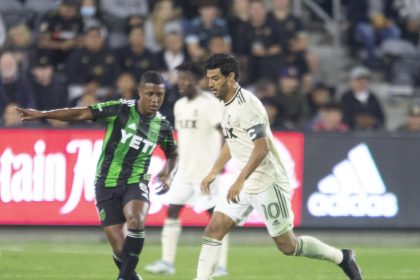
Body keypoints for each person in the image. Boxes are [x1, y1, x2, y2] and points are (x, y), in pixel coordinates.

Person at [194, 53, 363, 280]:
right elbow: (232, 141)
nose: (210, 84)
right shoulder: (224, 103)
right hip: (243, 183)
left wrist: (239, 180)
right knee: (213, 230)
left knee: (288, 245)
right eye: (209, 78)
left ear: (231, 77)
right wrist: (214, 171)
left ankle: (342, 257)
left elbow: (261, 148)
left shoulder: (248, 106)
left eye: (215, 78)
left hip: (267, 181)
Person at [15, 71, 179, 280]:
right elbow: (79, 113)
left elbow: (173, 154)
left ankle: (123, 277)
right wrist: (43, 114)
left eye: (159, 95)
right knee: (120, 248)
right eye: (150, 94)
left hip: (135, 182)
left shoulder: (162, 126)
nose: (155, 100)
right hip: (106, 183)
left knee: (136, 219)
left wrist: (169, 174)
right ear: (139, 92)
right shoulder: (119, 109)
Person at [144, 62, 229, 277]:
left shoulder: (209, 103)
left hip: (205, 173)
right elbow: (181, 140)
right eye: (180, 79)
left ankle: (220, 265)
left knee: (216, 218)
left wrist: (217, 166)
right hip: (184, 172)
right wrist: (168, 168)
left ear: (199, 80)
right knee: (171, 211)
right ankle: (167, 262)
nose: (182, 83)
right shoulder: (179, 104)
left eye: (186, 79)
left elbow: (225, 134)